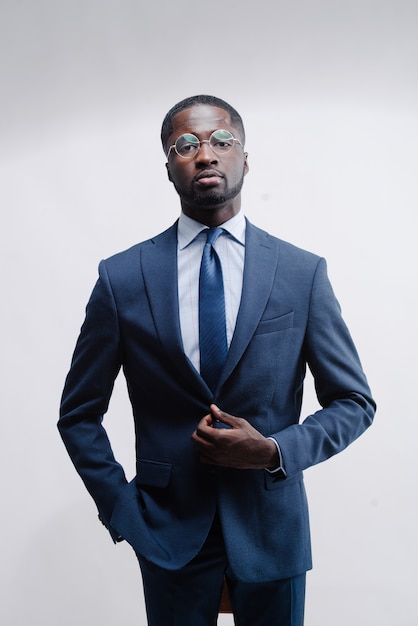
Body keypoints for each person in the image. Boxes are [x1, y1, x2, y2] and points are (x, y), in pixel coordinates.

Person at [58, 94, 375, 626]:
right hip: (167, 530)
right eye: (185, 145)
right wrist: (120, 509)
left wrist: (273, 449)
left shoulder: (302, 273)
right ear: (169, 168)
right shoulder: (122, 278)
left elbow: (354, 402)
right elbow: (78, 414)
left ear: (245, 159)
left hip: (271, 527)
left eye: (221, 141)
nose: (205, 154)